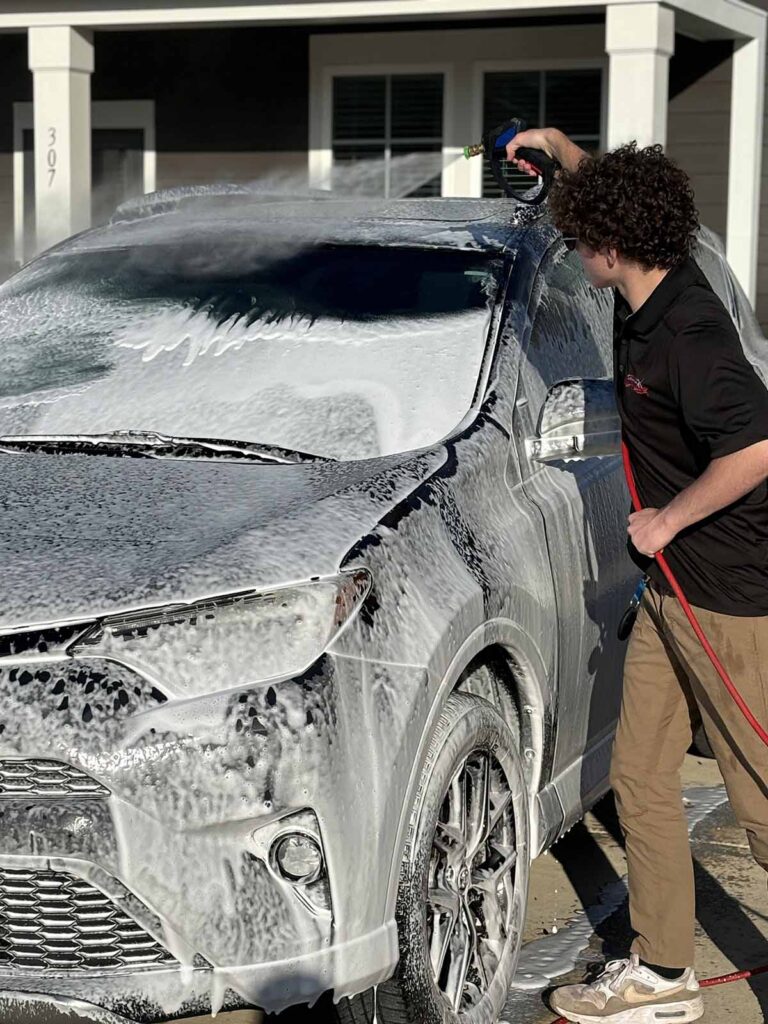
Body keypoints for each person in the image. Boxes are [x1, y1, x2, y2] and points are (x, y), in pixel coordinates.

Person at [506, 128, 768, 1024]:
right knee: (641, 777)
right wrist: (557, 149)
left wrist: (667, 518)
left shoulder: (689, 334)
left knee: (759, 799)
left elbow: (759, 446)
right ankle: (662, 974)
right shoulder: (659, 268)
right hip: (668, 595)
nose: (576, 253)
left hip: (728, 597)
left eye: (582, 241)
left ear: (613, 248)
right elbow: (614, 195)